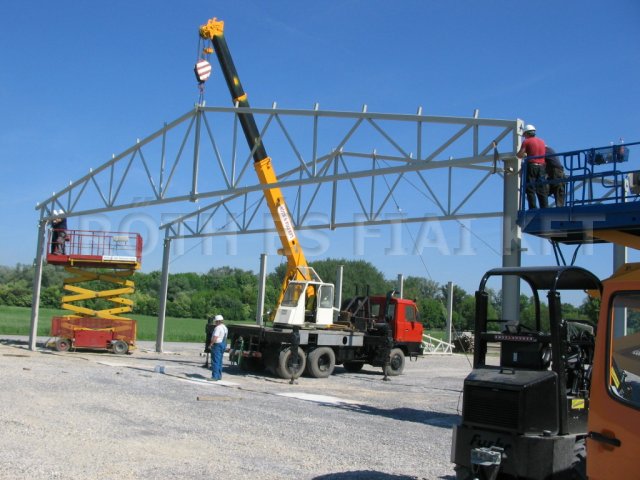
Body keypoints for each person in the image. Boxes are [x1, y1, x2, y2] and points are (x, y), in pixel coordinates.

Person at [517, 125, 548, 209]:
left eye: (524, 135)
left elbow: (520, 155)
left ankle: (533, 207)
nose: (524, 136)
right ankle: (545, 207)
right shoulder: (542, 142)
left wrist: (521, 154)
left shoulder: (526, 141)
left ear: (527, 133)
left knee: (530, 187)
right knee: (541, 188)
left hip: (532, 166)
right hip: (541, 167)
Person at [209, 314, 228, 381]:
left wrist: (211, 344)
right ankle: (219, 376)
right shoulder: (225, 327)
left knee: (215, 361)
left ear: (217, 321)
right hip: (223, 344)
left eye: (215, 321)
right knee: (219, 361)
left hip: (217, 345)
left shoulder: (218, 328)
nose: (215, 323)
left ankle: (214, 377)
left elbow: (215, 337)